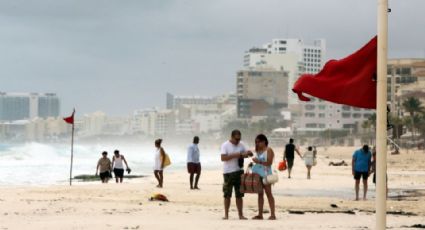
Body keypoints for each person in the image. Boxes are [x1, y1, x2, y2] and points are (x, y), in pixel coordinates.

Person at [220, 129, 253, 220]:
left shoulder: (241, 144)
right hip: (228, 173)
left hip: (239, 172)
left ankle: (240, 215)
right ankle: (226, 215)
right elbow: (223, 158)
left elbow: (249, 154)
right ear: (232, 137)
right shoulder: (225, 145)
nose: (238, 141)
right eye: (236, 139)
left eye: (239, 139)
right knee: (227, 195)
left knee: (239, 195)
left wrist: (247, 153)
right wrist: (236, 155)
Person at [251, 134, 276, 220]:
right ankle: (260, 214)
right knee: (260, 194)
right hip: (258, 175)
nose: (257, 143)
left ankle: (273, 214)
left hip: (266, 175)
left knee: (269, 194)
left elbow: (269, 163)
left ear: (264, 141)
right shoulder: (258, 150)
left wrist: (258, 161)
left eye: (259, 142)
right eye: (256, 142)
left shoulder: (269, 150)